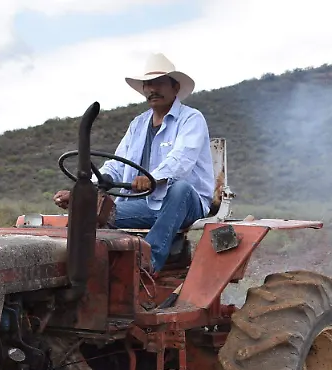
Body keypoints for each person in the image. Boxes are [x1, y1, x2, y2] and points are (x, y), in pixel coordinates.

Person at [54, 53, 215, 273]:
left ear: (175, 87)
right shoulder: (138, 124)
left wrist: (152, 179)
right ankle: (93, 270)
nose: (151, 89)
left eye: (158, 83)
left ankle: (148, 264)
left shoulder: (191, 119)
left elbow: (181, 159)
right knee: (98, 212)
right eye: (147, 85)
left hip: (185, 204)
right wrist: (85, 191)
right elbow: (116, 165)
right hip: (144, 204)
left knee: (180, 189)